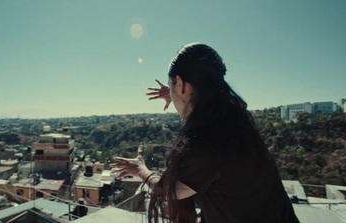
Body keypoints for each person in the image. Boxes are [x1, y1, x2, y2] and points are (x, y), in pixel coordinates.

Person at [111, 43, 299, 223]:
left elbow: (168, 190)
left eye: (172, 86)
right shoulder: (231, 120)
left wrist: (141, 170)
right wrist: (176, 92)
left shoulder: (205, 140)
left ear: (181, 85)